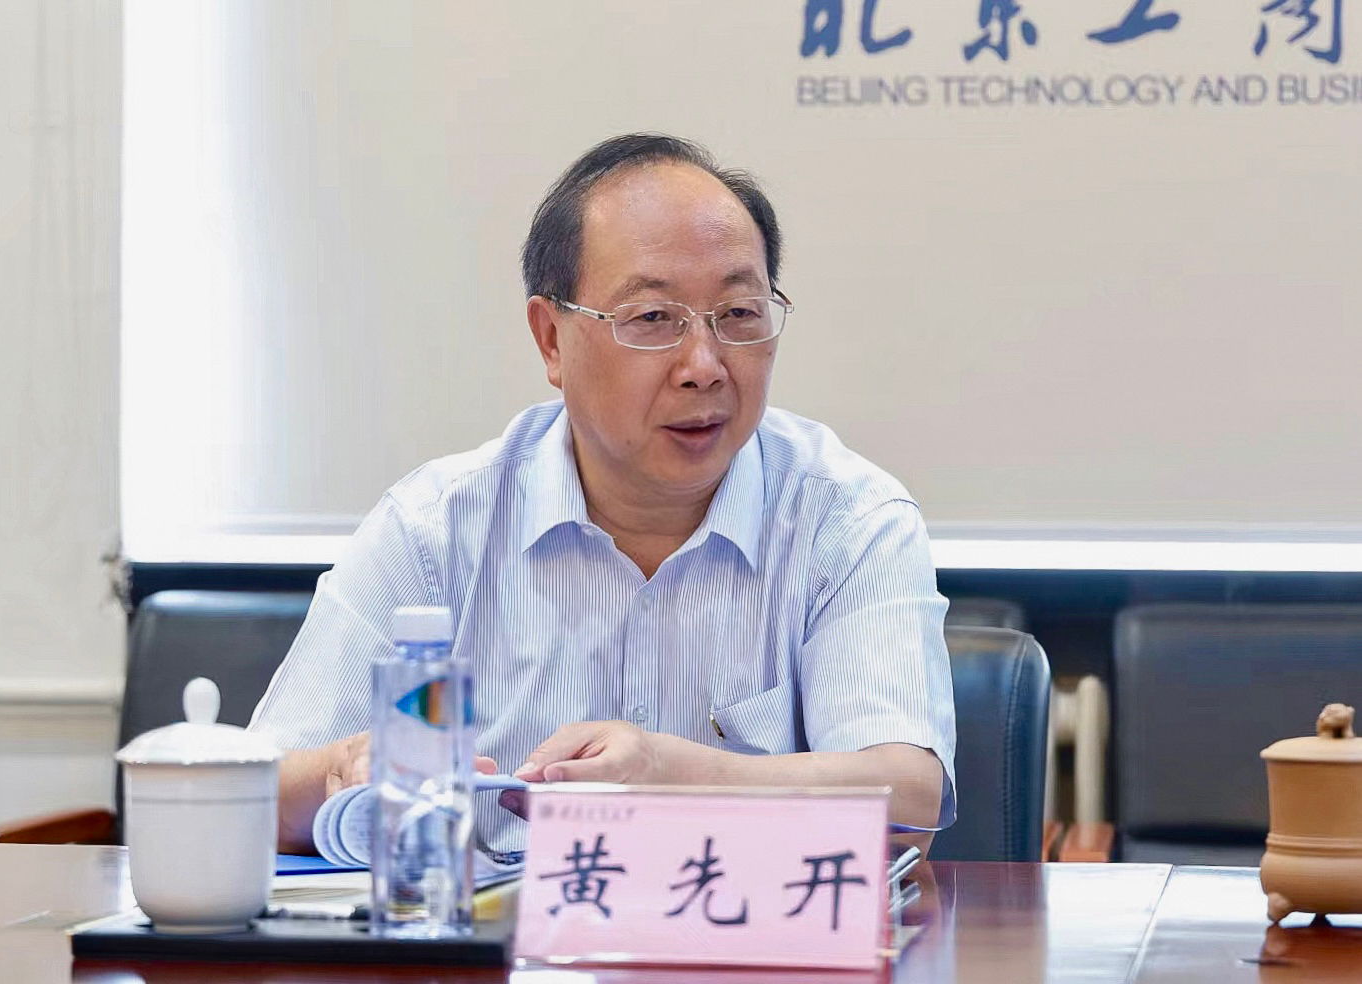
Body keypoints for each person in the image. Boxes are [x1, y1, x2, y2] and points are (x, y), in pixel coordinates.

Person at [249, 133, 956, 857]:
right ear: (551, 340)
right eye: (652, 319)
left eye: (739, 314)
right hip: (493, 927)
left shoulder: (847, 519)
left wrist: (674, 776)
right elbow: (251, 794)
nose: (704, 365)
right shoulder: (434, 529)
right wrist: (347, 769)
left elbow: (908, 801)